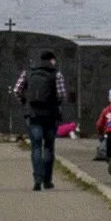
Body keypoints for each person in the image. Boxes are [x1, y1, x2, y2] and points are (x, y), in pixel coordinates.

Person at [16, 50, 68, 190]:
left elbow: (17, 90)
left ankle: (37, 180)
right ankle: (47, 180)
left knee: (36, 147)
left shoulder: (28, 72)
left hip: (33, 115)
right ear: (52, 60)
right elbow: (62, 95)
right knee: (49, 147)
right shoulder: (56, 74)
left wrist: (25, 101)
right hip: (51, 116)